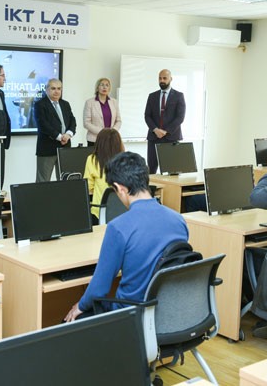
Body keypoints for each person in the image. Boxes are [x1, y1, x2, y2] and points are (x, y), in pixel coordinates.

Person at [64, 152, 189, 322]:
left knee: (72, 318)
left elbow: (98, 289)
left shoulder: (118, 227)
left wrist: (80, 306)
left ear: (121, 188)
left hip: (131, 315)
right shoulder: (178, 220)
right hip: (168, 311)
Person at [35, 78, 77, 182]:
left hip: (65, 148)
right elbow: (43, 125)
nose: (56, 91)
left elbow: (72, 121)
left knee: (65, 181)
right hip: (47, 148)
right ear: (46, 90)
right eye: (53, 88)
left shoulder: (65, 104)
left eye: (59, 88)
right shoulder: (40, 104)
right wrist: (60, 137)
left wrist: (68, 134)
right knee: (43, 181)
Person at [144, 69, 186, 174]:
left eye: (164, 78)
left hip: (171, 138)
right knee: (151, 171)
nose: (162, 80)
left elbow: (180, 117)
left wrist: (165, 131)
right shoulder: (152, 96)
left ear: (170, 79)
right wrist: (155, 129)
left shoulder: (179, 96)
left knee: (172, 171)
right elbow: (147, 116)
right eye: (160, 78)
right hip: (154, 137)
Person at [84, 128, 124, 224]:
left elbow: (88, 187)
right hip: (123, 211)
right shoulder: (126, 159)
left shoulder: (92, 159)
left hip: (100, 213)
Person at [83, 78, 122, 146]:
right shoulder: (89, 102)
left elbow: (118, 121)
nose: (104, 87)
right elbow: (86, 123)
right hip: (94, 139)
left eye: (107, 85)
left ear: (109, 88)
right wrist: (103, 132)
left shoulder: (114, 102)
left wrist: (112, 132)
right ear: (97, 88)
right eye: (102, 85)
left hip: (111, 139)